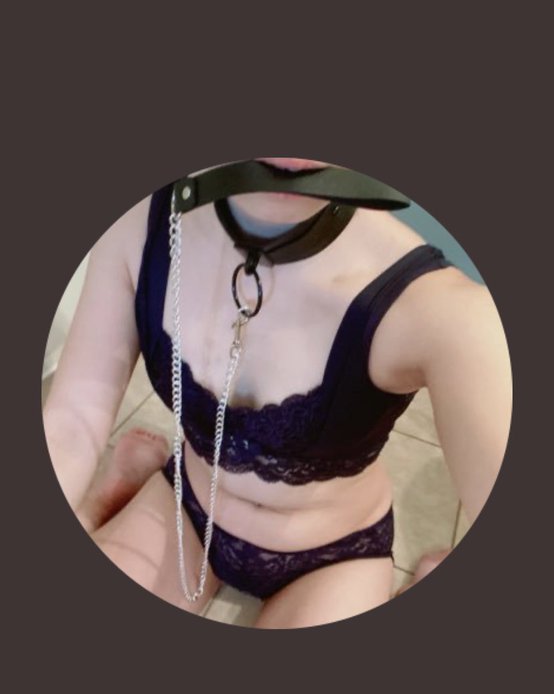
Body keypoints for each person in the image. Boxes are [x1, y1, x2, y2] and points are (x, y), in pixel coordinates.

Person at [43, 158, 512, 628]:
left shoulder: (446, 310)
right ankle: (112, 493)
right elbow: (72, 420)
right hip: (188, 502)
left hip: (332, 555)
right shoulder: (137, 226)